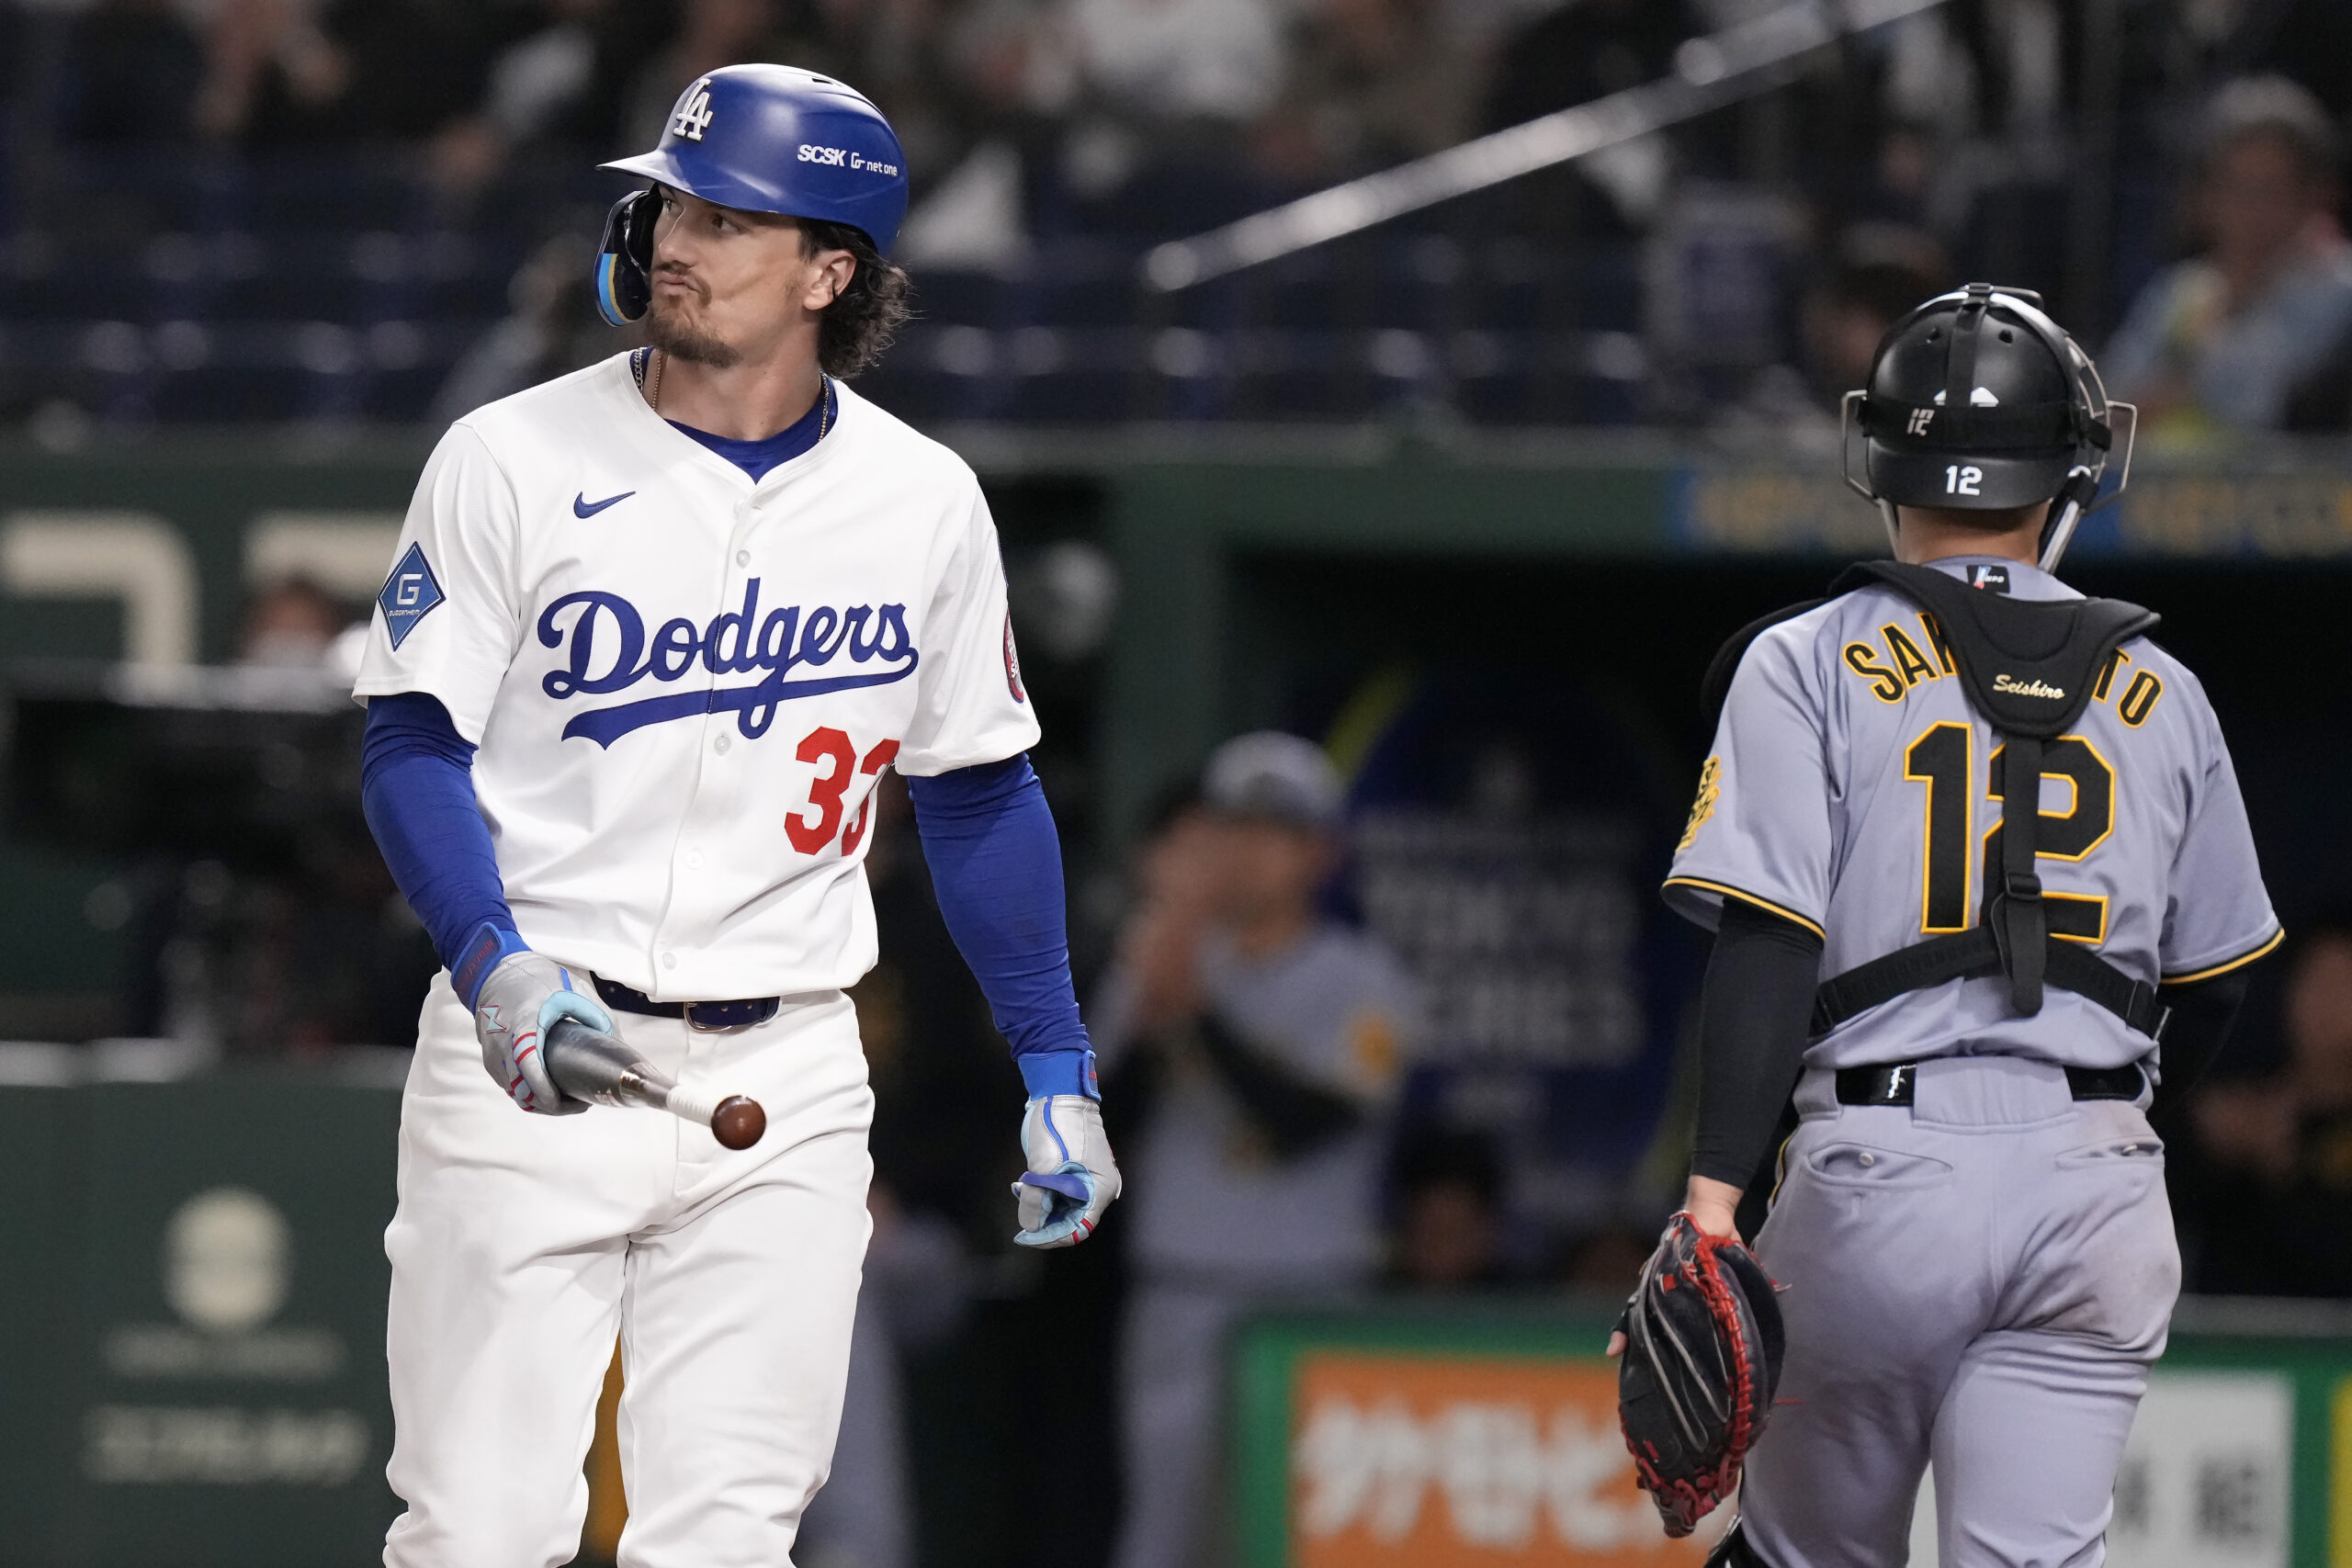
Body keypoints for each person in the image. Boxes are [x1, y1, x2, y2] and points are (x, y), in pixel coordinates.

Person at [351, 64, 1117, 1566]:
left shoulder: (923, 501)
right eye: (673, 203)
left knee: (729, 1538)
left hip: (787, 1070)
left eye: (729, 216)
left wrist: (1055, 1058)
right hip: (536, 1030)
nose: (676, 238)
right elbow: (407, 745)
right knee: (481, 1529)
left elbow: (977, 790)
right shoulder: (510, 456)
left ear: (830, 271)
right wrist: (492, 960)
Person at [1653, 284, 2280, 1564]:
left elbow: (1768, 938)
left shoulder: (1807, 656)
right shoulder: (2165, 687)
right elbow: (2216, 985)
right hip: (2096, 1169)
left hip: (1881, 1170)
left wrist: (1714, 1197)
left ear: (1879, 459)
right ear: (2074, 470)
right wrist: (2097, 1133)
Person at [1093, 732, 1417, 1568]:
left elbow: (1298, 1125)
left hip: (1313, 1294)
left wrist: (1192, 1013)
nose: (1246, 849)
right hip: (1184, 1289)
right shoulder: (1159, 955)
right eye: (1231, 826)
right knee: (1165, 1537)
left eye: (1275, 831)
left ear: (1319, 852)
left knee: (1297, 1535)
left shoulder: (1362, 978)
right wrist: (1157, 977)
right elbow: (1090, 1124)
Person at [2103, 75, 2352, 438]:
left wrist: (2179, 384)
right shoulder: (2182, 292)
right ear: (2205, 198)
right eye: (2236, 189)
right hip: (2163, 492)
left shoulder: (2340, 292)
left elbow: (2263, 403)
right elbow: (2108, 408)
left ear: (2313, 197)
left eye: (2271, 192)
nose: (2252, 212)